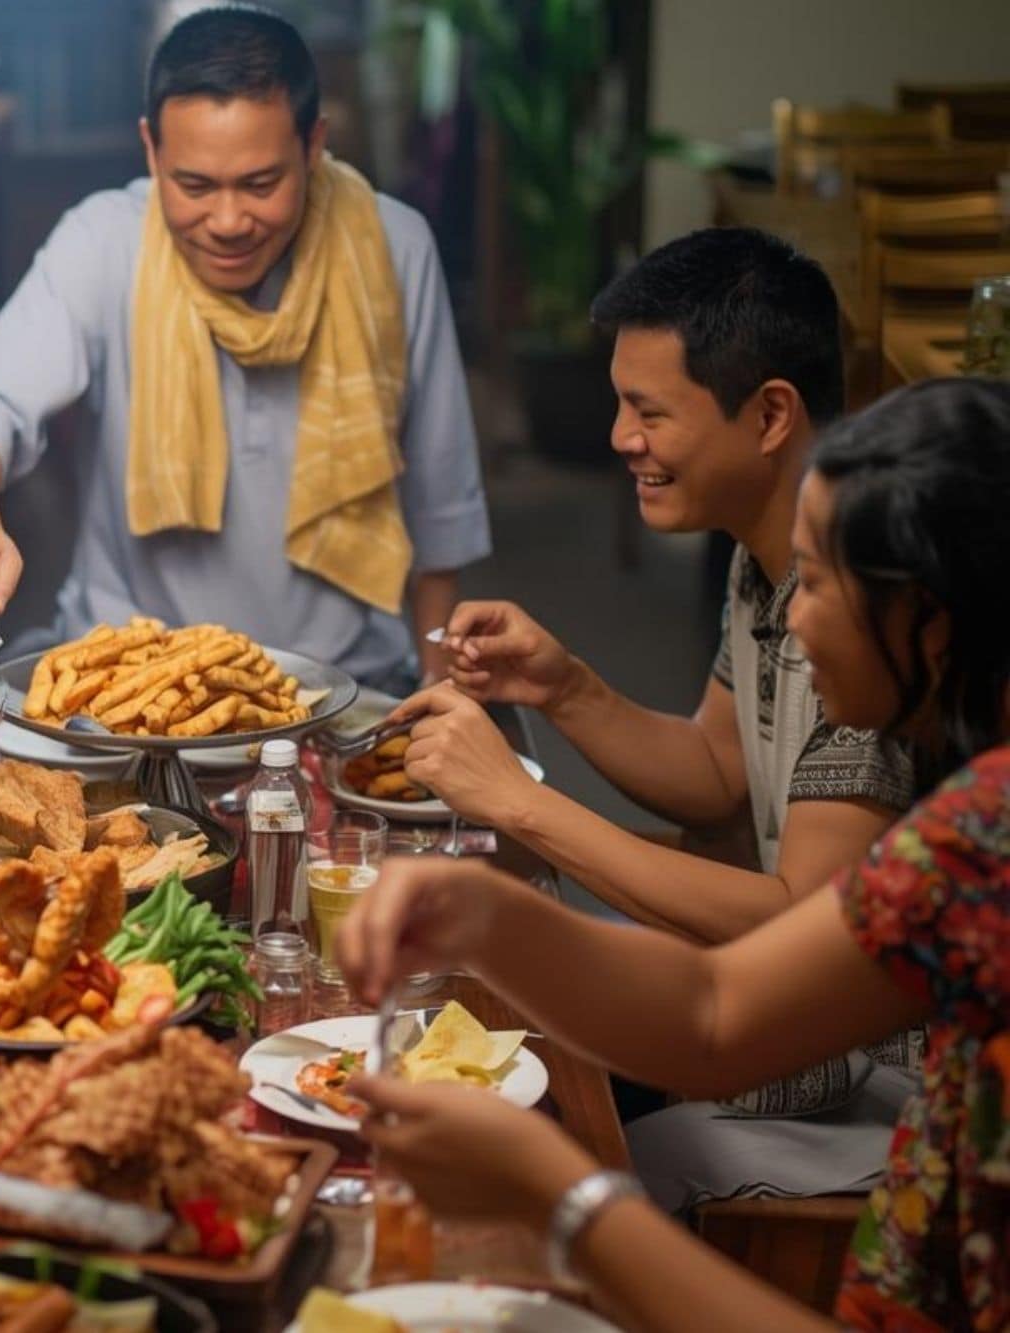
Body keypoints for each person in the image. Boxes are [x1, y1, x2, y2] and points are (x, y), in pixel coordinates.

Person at [337, 379, 1010, 1332]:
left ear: (930, 622)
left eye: (818, 583)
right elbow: (717, 1009)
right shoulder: (970, 822)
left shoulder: (984, 839)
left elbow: (721, 1008)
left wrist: (563, 1199)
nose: (795, 619)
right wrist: (484, 917)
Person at [0, 4, 488, 693]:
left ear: (313, 145)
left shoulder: (395, 249)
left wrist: (434, 683)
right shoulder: (102, 241)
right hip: (123, 685)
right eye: (193, 185)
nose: (226, 221)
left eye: (260, 184)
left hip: (340, 687)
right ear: (152, 149)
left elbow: (440, 498)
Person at [394, 228, 915, 944]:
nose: (619, 437)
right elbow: (718, 771)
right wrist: (564, 688)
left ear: (769, 415)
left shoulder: (862, 602)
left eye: (649, 411)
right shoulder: (759, 551)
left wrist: (521, 804)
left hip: (848, 1051)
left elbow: (804, 927)